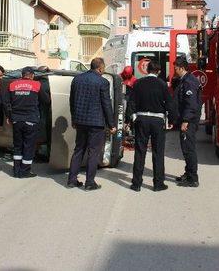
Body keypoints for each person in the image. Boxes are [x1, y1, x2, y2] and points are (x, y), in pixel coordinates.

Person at [67, 58, 116, 190]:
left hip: (80, 121)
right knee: (93, 152)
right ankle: (90, 182)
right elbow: (106, 104)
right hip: (96, 123)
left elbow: (72, 100)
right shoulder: (103, 82)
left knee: (79, 150)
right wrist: (111, 125)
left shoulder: (77, 79)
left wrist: (74, 118)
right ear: (100, 68)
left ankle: (72, 180)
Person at [126, 60, 174, 192]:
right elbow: (169, 103)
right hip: (157, 120)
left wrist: (128, 119)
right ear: (158, 71)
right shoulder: (162, 84)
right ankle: (158, 184)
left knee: (140, 152)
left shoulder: (138, 83)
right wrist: (172, 120)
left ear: (147, 70)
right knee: (158, 152)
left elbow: (132, 102)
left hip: (141, 119)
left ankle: (136, 184)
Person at [4, 67, 49, 178]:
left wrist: (9, 116)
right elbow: (47, 101)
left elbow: (6, 102)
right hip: (30, 120)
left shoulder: (12, 85)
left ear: (22, 75)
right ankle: (25, 171)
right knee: (28, 146)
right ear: (32, 75)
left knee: (17, 146)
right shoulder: (37, 85)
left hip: (16, 120)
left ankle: (16, 170)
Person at [173, 57, 202, 187]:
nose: (174, 71)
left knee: (188, 149)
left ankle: (193, 178)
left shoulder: (189, 82)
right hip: (187, 119)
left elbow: (191, 104)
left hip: (189, 121)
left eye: (176, 69)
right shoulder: (184, 80)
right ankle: (188, 172)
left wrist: (185, 120)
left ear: (182, 68)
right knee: (186, 148)